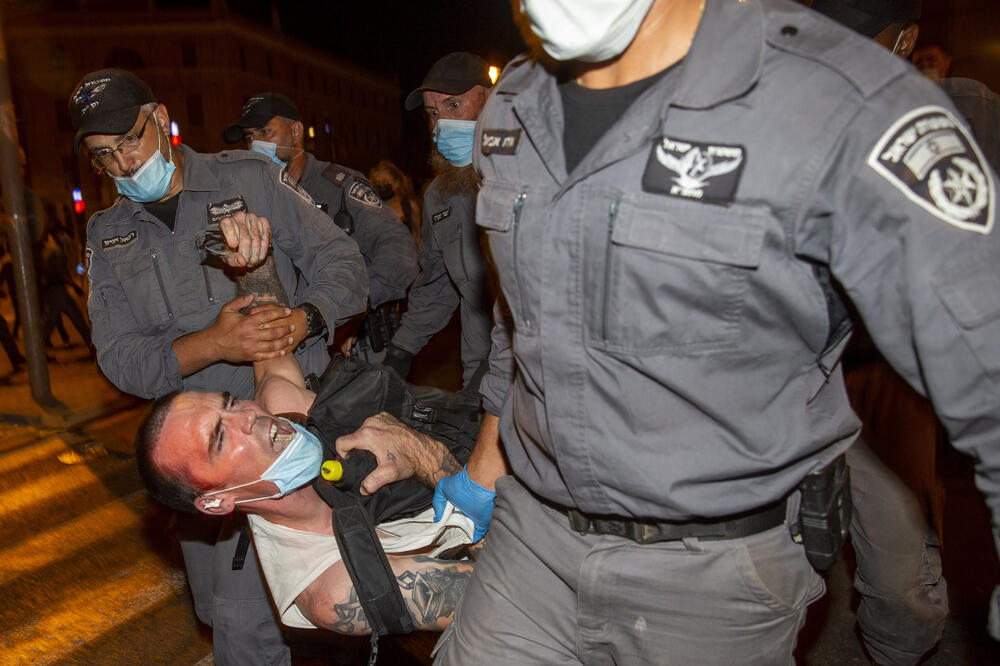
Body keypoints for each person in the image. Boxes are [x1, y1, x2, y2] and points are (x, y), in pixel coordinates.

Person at [406, 1, 1000, 663]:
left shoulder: (838, 99)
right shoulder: (516, 103)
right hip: (533, 544)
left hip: (712, 578)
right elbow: (523, 316)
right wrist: (485, 470)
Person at [70, 68, 368, 666]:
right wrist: (213, 344)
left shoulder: (250, 179)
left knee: (249, 628)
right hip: (202, 465)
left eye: (130, 140)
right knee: (214, 608)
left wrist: (307, 318)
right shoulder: (108, 235)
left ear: (159, 119)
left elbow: (344, 260)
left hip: (287, 429)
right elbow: (121, 361)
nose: (124, 166)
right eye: (104, 157)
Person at [134, 348, 476, 635]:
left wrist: (252, 265)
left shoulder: (286, 407)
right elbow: (513, 589)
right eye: (221, 438)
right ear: (216, 501)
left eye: (232, 402)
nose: (250, 415)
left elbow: (268, 333)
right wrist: (426, 457)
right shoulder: (334, 589)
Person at [223, 93, 418, 363]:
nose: (257, 144)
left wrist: (349, 303)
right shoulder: (251, 202)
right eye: (249, 137)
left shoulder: (339, 188)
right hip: (288, 358)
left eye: (266, 131)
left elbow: (400, 254)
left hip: (348, 354)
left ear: (296, 132)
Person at [383, 53, 496, 389]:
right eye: (433, 113)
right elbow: (437, 283)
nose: (440, 125)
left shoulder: (529, 176)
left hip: (535, 369)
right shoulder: (439, 197)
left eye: (454, 106)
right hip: (480, 375)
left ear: (490, 102)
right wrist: (400, 351)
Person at [369, 159, 422, 248]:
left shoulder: (409, 206)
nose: (381, 186)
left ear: (397, 182)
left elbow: (417, 235)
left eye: (385, 182)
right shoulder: (372, 211)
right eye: (377, 183)